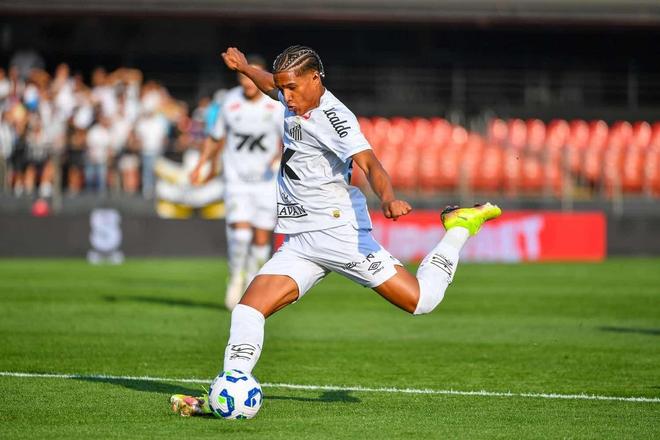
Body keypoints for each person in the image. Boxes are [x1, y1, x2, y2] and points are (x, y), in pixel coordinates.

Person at [170, 45, 501, 416]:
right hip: (301, 242)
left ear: (315, 79)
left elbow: (370, 164)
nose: (286, 96)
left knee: (422, 301)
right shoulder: (293, 98)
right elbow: (269, 85)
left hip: (340, 236)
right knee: (247, 311)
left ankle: (458, 228)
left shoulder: (336, 118)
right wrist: (246, 68)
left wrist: (388, 198)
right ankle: (229, 390)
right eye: (283, 88)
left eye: (292, 88)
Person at [190, 55, 284, 311]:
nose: (247, 82)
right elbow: (215, 137)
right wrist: (201, 165)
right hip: (236, 181)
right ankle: (235, 278)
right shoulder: (229, 102)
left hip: (266, 182)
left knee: (261, 242)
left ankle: (252, 282)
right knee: (241, 236)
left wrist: (278, 157)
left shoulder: (274, 105)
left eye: (251, 76)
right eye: (243, 76)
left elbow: (288, 139)